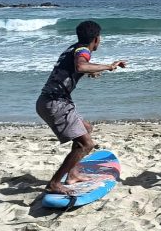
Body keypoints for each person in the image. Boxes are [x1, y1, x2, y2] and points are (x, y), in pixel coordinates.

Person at [36, 20, 127, 195]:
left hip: (50, 101)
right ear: (96, 39)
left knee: (86, 129)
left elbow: (73, 68)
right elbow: (80, 65)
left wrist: (91, 71)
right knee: (86, 144)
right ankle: (55, 183)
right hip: (56, 102)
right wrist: (109, 66)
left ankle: (73, 174)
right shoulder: (83, 51)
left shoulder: (73, 48)